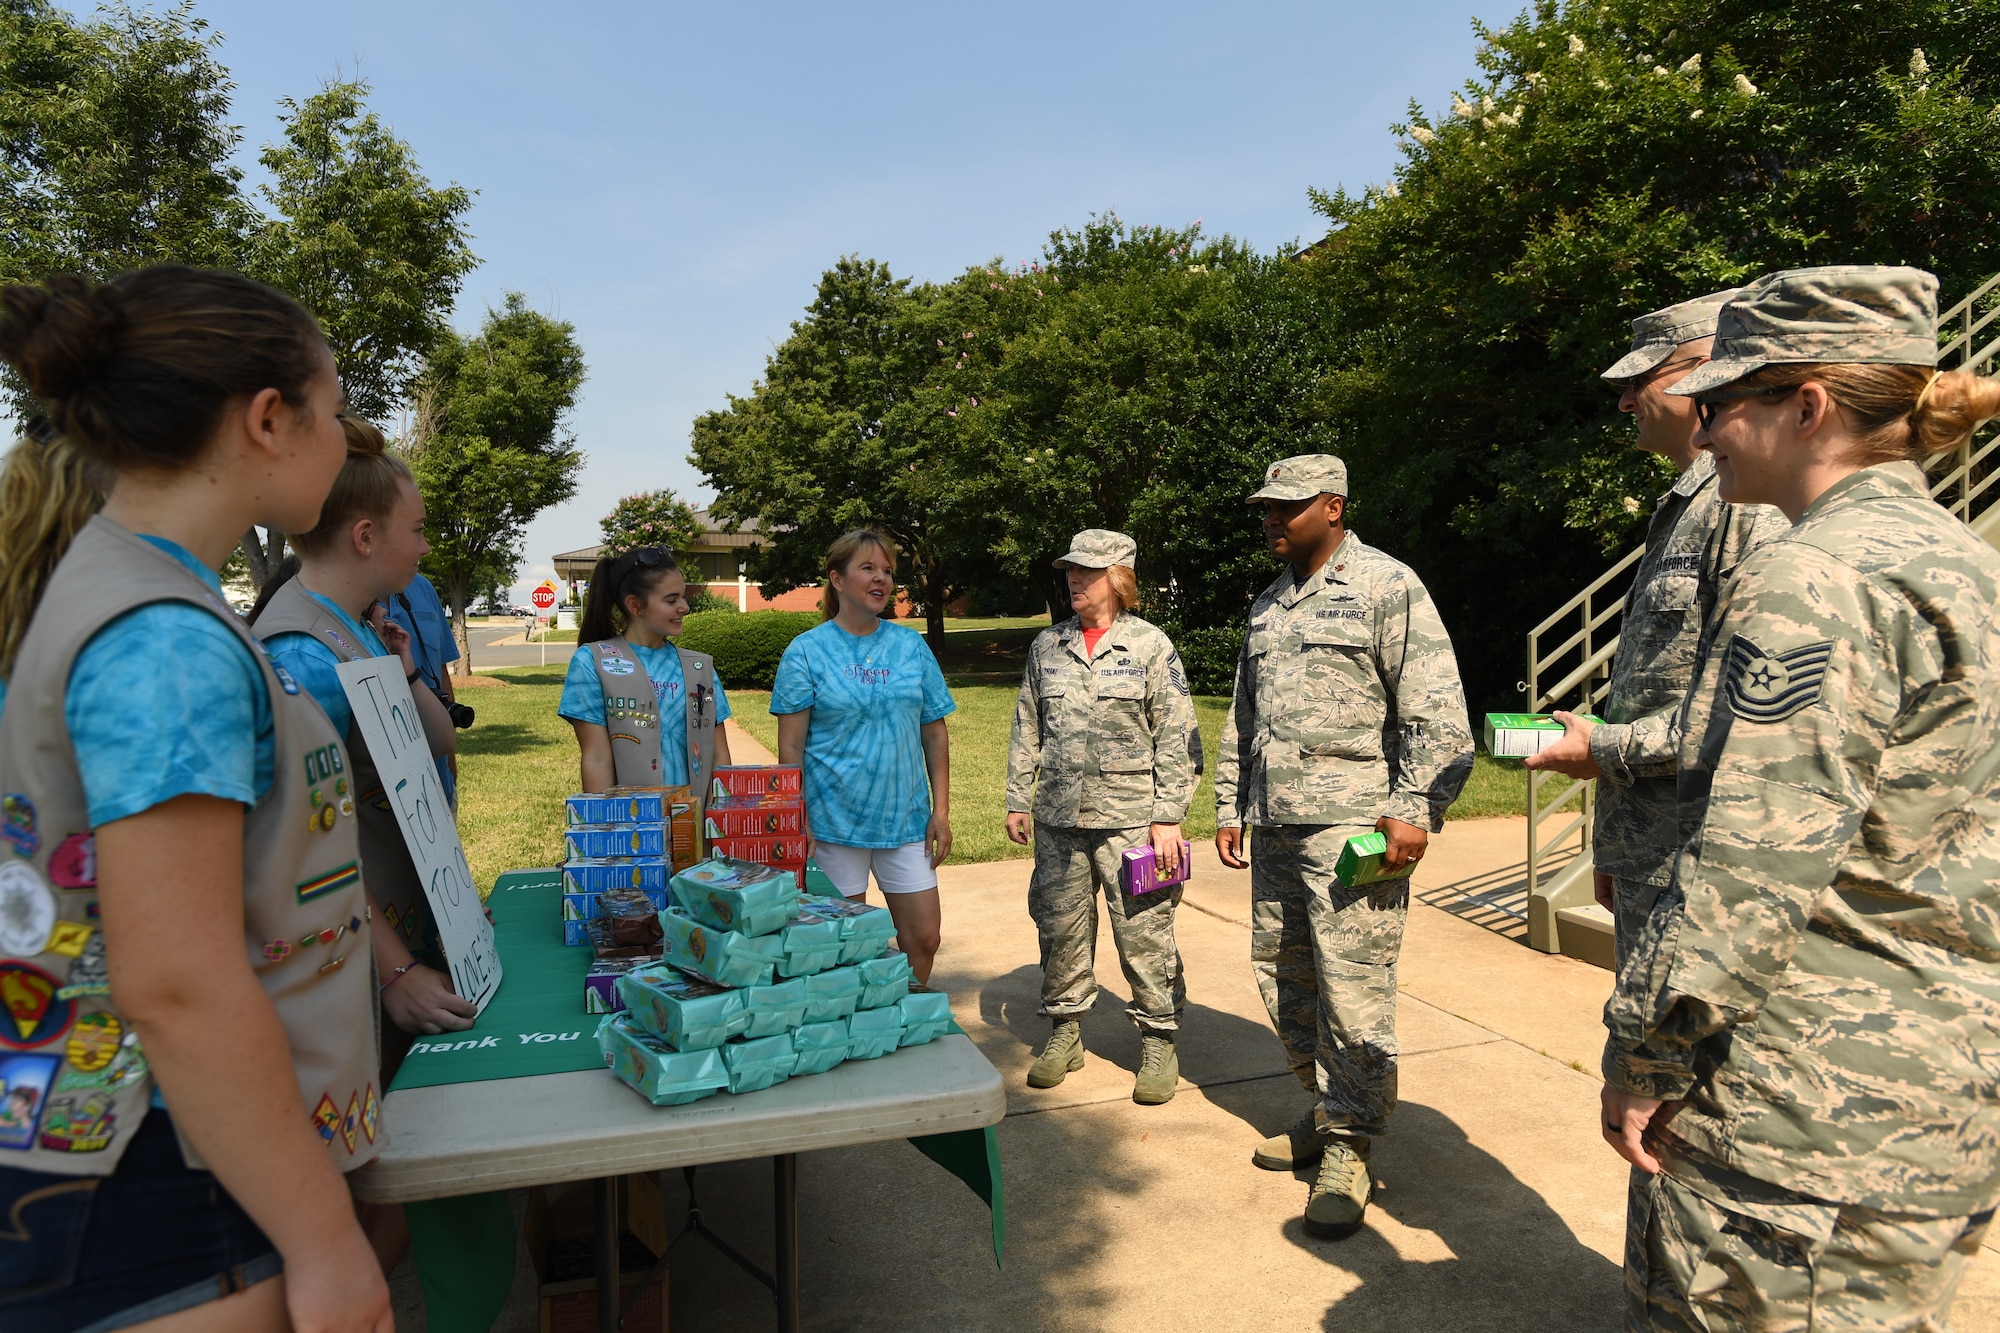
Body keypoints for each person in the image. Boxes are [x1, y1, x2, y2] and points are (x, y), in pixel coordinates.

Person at [1601, 267, 2000, 1329]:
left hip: (1796, 1116)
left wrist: (1648, 1051)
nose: (1705, 428)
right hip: (1936, 1100)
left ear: (1806, 406)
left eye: (1726, 400)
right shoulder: (1964, 564)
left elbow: (1751, 859)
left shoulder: (1814, 574)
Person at [0, 268, 392, 1331]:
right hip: (164, 1174)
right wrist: (325, 1243)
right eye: (335, 404)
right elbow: (175, 978)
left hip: (147, 1153)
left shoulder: (124, 586)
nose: (343, 434)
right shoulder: (166, 638)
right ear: (268, 420)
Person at [1214, 454, 1473, 1241]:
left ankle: (1351, 1144)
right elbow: (1242, 714)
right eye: (1265, 507)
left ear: (1332, 506)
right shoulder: (1268, 605)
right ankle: (1329, 1106)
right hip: (1278, 825)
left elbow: (1437, 710)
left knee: (1353, 985)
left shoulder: (1387, 586)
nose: (1270, 521)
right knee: (1284, 974)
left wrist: (1415, 807)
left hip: (1355, 832)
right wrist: (1230, 803)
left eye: (1285, 508)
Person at [1524, 291, 1788, 963]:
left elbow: (1746, 707)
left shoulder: (1746, 508)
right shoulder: (1689, 506)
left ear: (1704, 367)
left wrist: (1604, 749)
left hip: (1702, 859)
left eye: (1639, 380)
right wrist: (1614, 842)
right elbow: (1663, 687)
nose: (1623, 401)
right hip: (1652, 848)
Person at [252, 418, 476, 1084]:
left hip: (400, 927)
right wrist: (395, 970)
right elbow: (301, 841)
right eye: (418, 529)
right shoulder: (301, 654)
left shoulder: (358, 631)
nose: (426, 546)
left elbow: (431, 744)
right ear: (365, 536)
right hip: (359, 965)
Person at [1004, 529, 1200, 1104]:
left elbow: (1179, 738)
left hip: (1134, 824)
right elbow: (1027, 726)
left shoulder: (1150, 647)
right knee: (1061, 927)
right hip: (1060, 821)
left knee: (1144, 932)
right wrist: (1019, 797)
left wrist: (1168, 817)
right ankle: (1066, 1031)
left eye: (1086, 573)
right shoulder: (1048, 647)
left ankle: (1159, 1038)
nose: (1073, 582)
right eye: (1069, 572)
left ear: (1117, 578)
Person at [772, 530, 956, 982]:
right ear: (836, 579)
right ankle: (854, 1031)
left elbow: (934, 733)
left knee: (923, 937)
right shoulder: (806, 652)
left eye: (888, 571)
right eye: (868, 569)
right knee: (842, 943)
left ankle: (906, 1012)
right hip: (834, 822)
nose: (881, 580)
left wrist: (941, 811)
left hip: (905, 819)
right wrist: (797, 814)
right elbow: (790, 747)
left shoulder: (910, 647)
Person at [561, 546, 731, 796]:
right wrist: (605, 828)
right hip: (629, 828)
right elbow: (596, 758)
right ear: (635, 605)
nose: (684, 607)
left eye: (683, 597)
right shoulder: (593, 662)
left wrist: (720, 819)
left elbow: (719, 755)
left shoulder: (699, 669)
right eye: (671, 600)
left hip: (693, 828)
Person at [384, 570, 462, 807]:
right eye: (415, 532)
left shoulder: (424, 588)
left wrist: (449, 760)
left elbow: (441, 672)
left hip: (436, 774)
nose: (424, 546)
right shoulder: (349, 594)